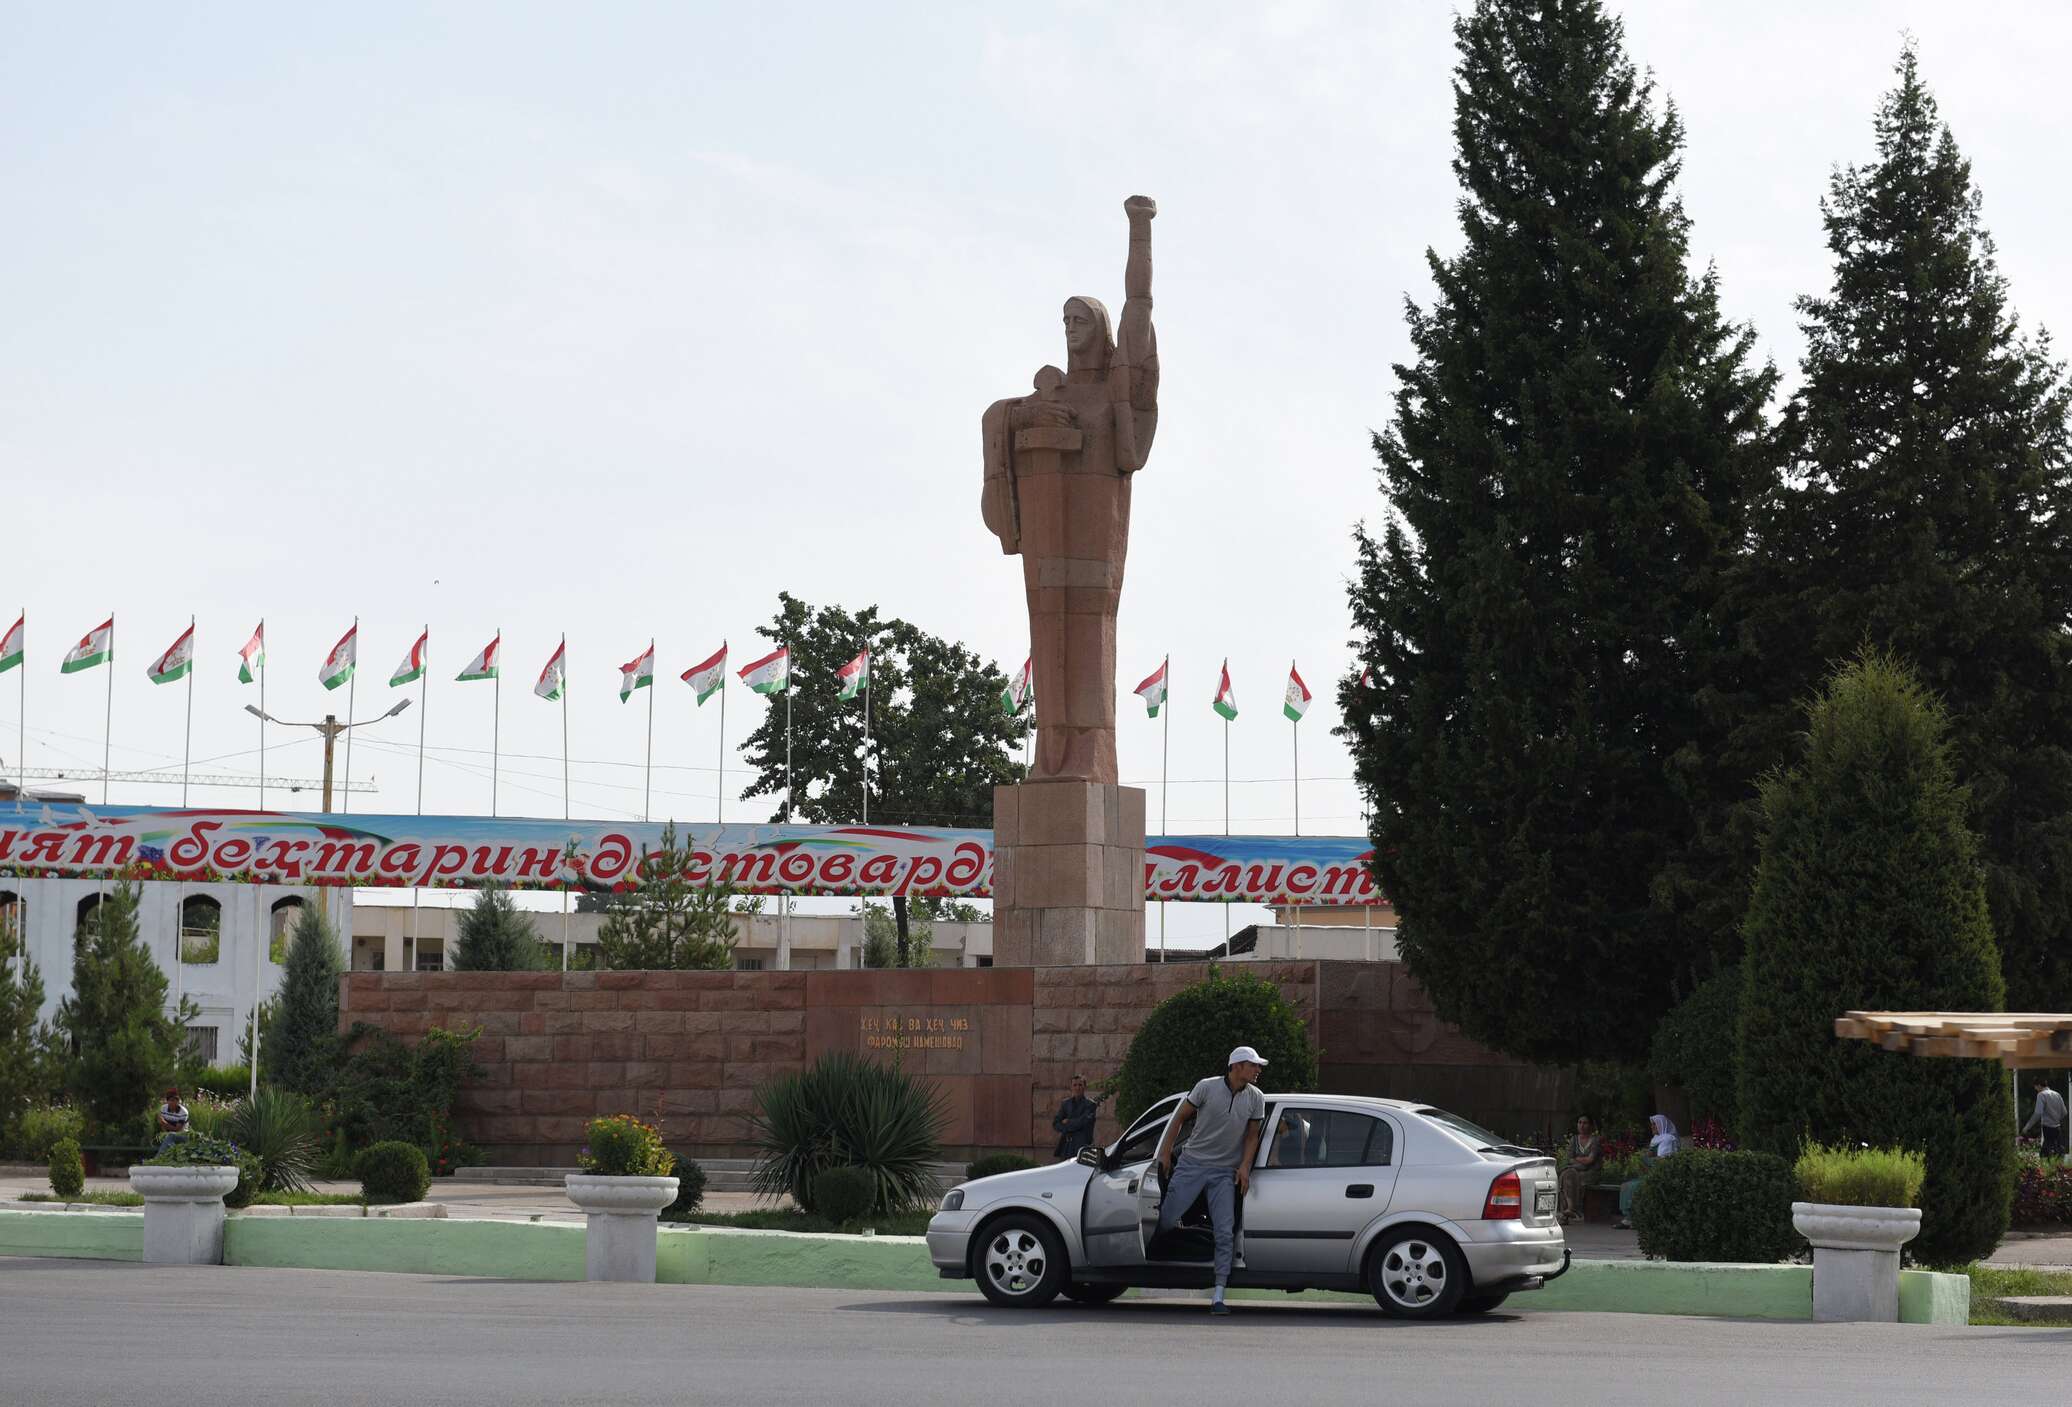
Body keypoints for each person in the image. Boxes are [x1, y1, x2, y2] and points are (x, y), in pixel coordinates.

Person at [1153, 1045, 1267, 1316]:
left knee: (1225, 1232)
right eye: (1253, 1065)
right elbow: (1179, 1118)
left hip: (1224, 1173)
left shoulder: (1256, 1097)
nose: (1258, 1070)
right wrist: (1166, 1153)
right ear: (1237, 1066)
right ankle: (1151, 1268)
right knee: (1165, 1218)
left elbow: (1253, 1136)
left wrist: (1244, 1167)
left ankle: (1218, 1294)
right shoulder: (1206, 1087)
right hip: (1191, 1165)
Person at [1613, 1114, 1678, 1230]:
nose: (1652, 1127)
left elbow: (1663, 1160)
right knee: (1626, 1186)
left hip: (1661, 1174)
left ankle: (1636, 1219)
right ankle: (1629, 1218)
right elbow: (1650, 1155)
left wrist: (1646, 1159)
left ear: (1661, 1125)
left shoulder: (1668, 1139)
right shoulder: (1655, 1139)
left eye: (1654, 1124)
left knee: (1635, 1187)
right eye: (1652, 1124)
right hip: (1650, 1173)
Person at [1558, 1116, 1602, 1224]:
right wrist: (1581, 1162)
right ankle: (1570, 1209)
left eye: (1585, 1123)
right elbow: (1569, 1159)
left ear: (1591, 1126)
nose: (1582, 1125)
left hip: (1591, 1173)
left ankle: (1566, 1213)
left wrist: (1577, 1159)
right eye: (1580, 1122)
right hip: (1576, 1171)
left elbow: (1590, 1160)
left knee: (1569, 1176)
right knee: (1568, 1175)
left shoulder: (1595, 1141)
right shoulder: (1574, 1140)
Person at [1051, 1075, 1103, 1159]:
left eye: (1080, 1085)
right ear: (1071, 1087)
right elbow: (1056, 1123)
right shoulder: (1065, 1104)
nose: (1077, 1088)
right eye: (1074, 1085)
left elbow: (1082, 1123)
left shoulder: (1091, 1105)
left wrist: (1067, 1122)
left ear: (1084, 1087)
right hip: (1066, 1148)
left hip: (1083, 1148)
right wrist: (1068, 1126)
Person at [2023, 1078, 2068, 1159]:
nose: (2036, 1090)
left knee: (2045, 1154)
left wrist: (2027, 1127)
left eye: (2036, 1087)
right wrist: (2056, 1118)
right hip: (2057, 1127)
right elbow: (2064, 1112)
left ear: (2039, 1085)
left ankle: (2044, 1169)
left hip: (2047, 1127)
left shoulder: (2041, 1095)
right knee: (2057, 1151)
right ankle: (2058, 1169)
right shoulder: (2057, 1094)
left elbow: (2037, 1114)